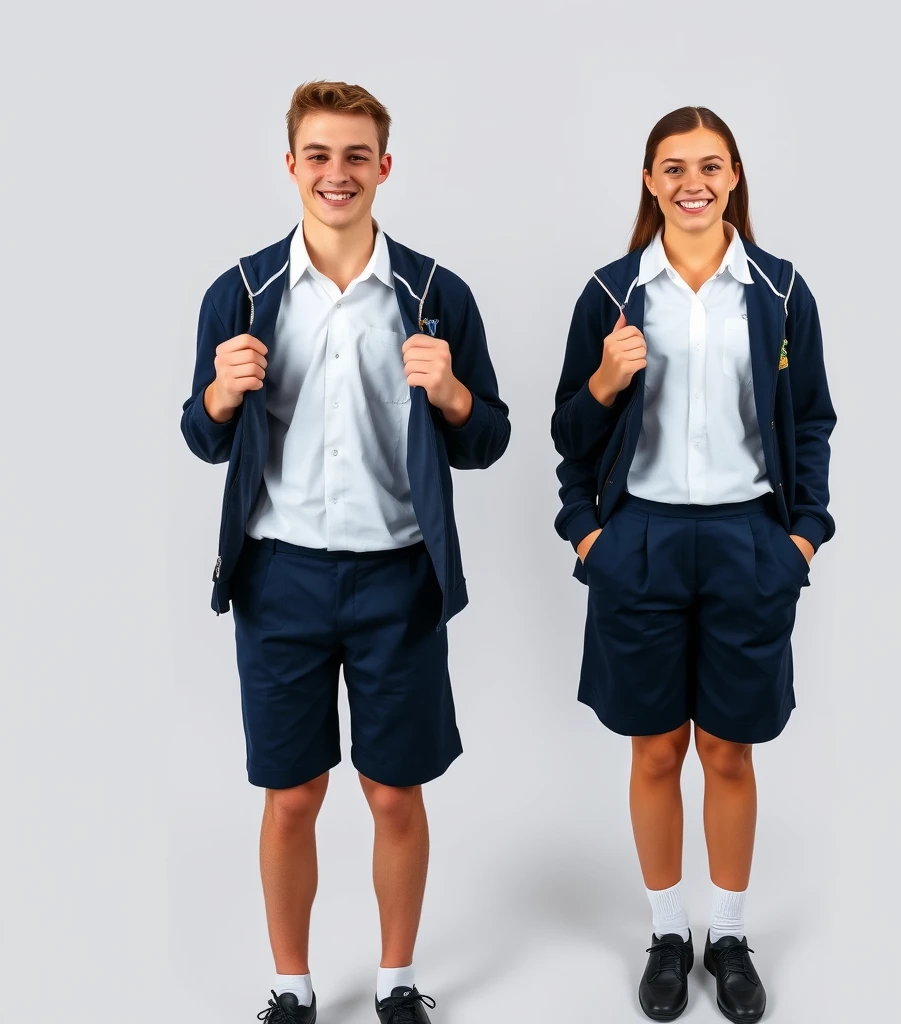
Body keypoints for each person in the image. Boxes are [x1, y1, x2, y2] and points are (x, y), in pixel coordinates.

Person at [180, 80, 510, 1024]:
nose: (337, 174)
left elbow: (488, 439)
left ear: (384, 168)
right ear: (291, 165)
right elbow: (202, 440)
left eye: (356, 156)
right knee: (292, 796)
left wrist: (451, 396)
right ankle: (292, 987)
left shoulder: (435, 294)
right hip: (277, 578)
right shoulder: (240, 292)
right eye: (319, 155)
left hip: (396, 576)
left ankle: (398, 980)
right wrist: (217, 396)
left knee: (393, 793)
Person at [551, 106, 835, 1023]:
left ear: (736, 175)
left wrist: (802, 536)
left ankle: (732, 935)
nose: (692, 183)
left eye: (710, 165)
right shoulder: (612, 294)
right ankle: (668, 934)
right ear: (649, 181)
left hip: (749, 538)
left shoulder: (782, 293)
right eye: (673, 168)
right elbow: (569, 431)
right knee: (656, 746)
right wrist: (589, 527)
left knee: (728, 748)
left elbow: (809, 421)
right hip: (642, 540)